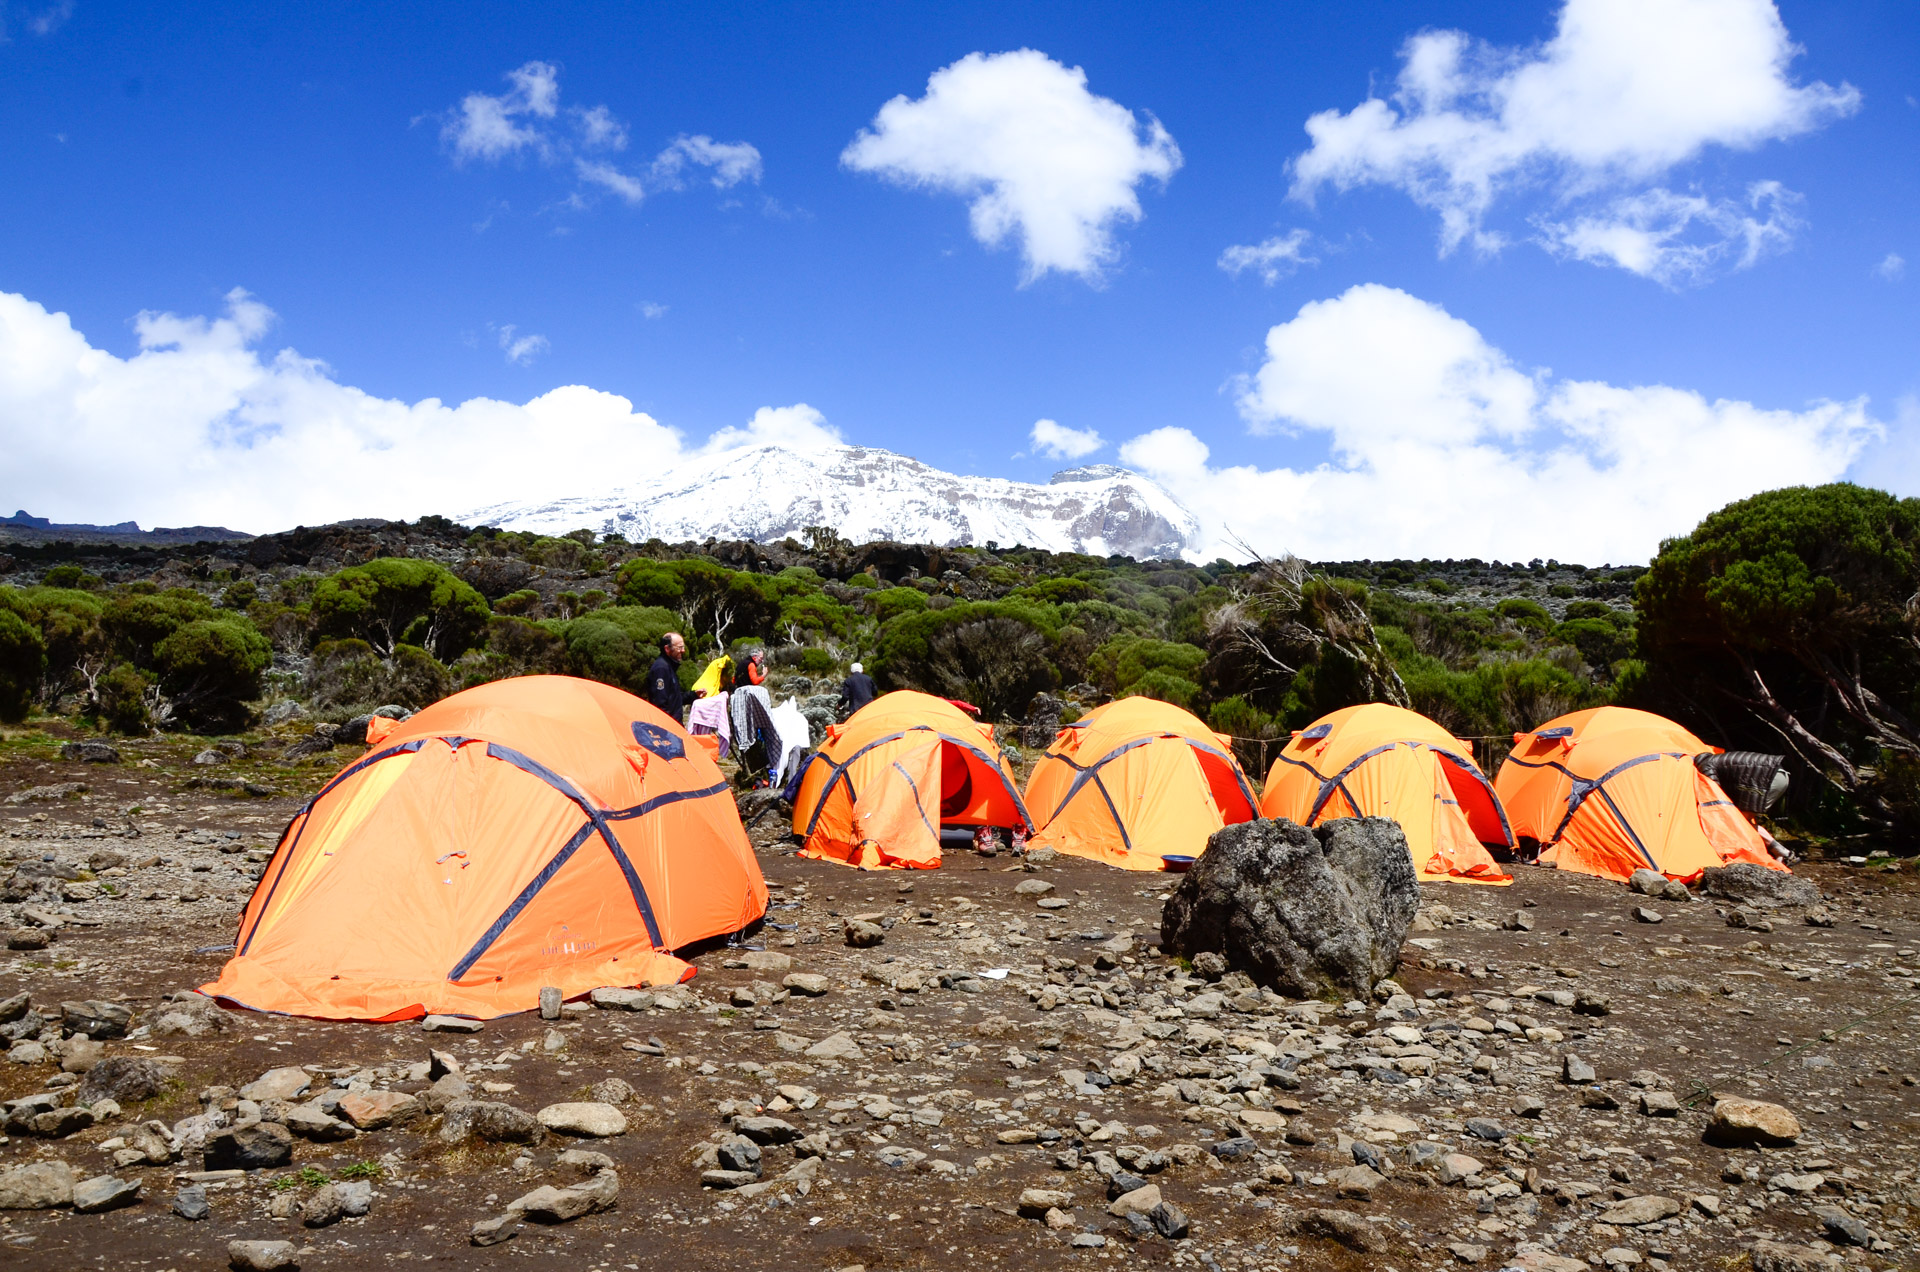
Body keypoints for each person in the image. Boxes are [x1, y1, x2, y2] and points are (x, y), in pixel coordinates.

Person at [645, 632, 693, 723]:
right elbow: (660, 705)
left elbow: (674, 699)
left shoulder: (669, 667)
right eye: (679, 647)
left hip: (675, 727)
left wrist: (694, 695)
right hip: (667, 729)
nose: (683, 650)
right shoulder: (661, 669)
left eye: (683, 647)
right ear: (667, 649)